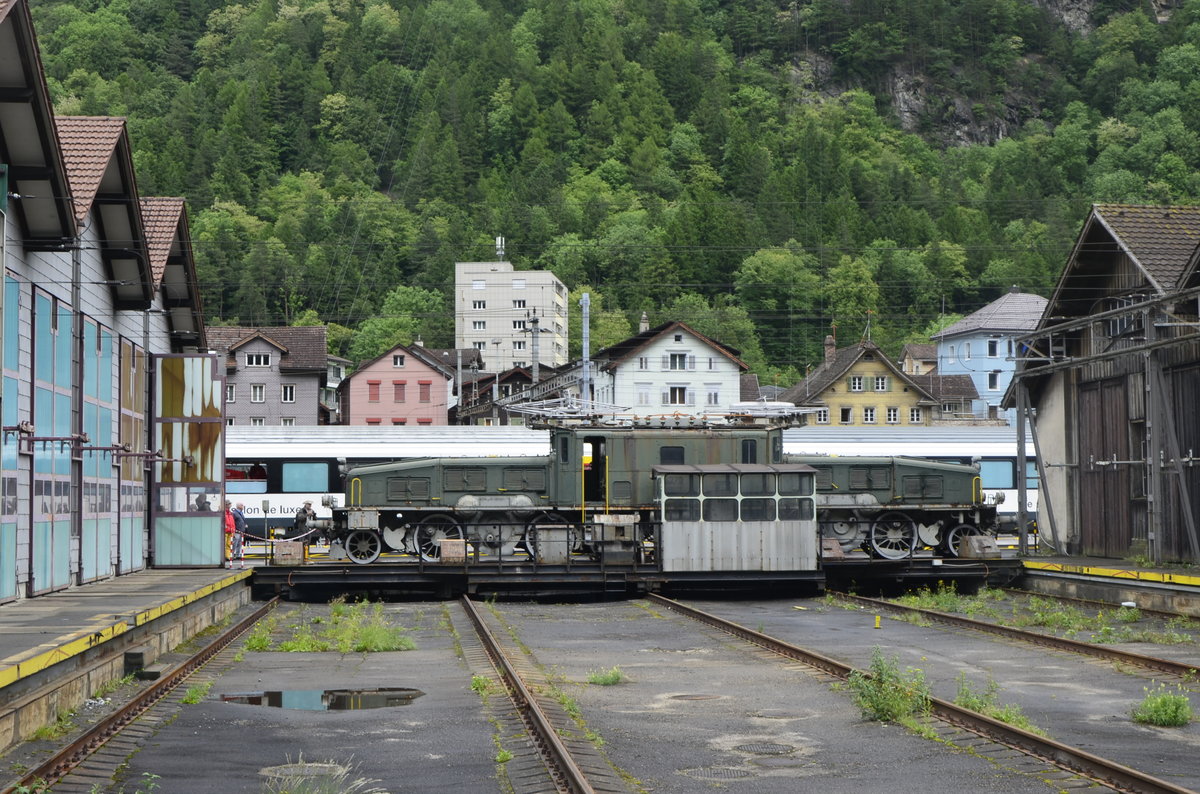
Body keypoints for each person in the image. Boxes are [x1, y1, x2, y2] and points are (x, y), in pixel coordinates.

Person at [223, 501, 236, 567]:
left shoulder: (230, 513)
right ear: (226, 504)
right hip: (225, 531)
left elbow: (232, 523)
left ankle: (228, 556)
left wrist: (233, 531)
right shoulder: (224, 513)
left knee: (228, 544)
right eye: (229, 504)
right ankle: (224, 557)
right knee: (224, 544)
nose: (230, 505)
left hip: (230, 531)